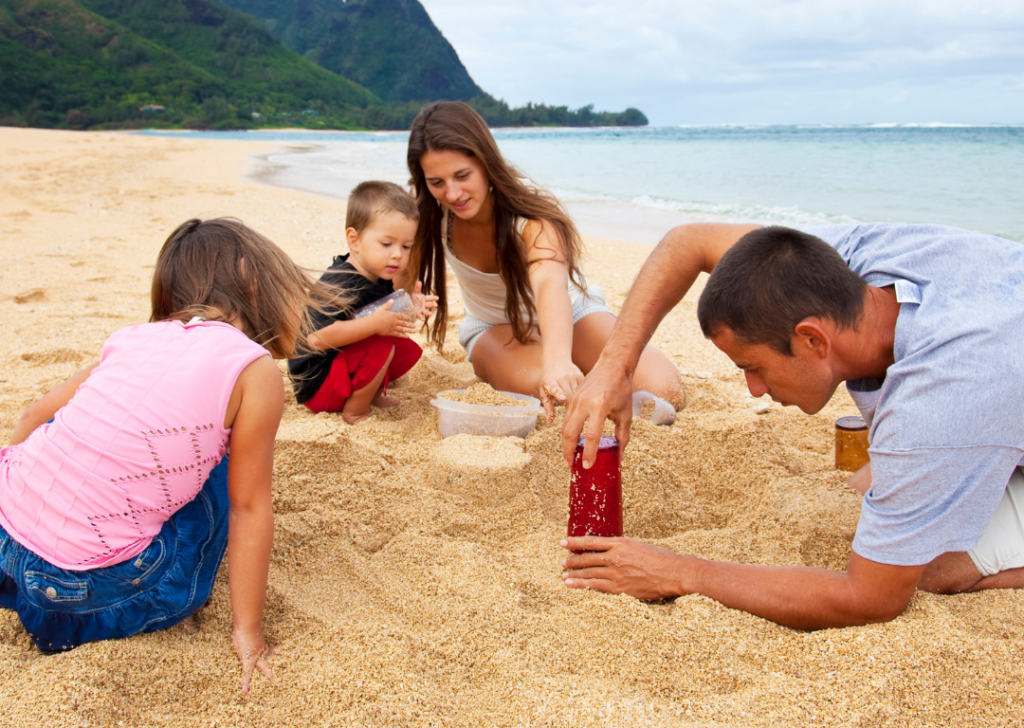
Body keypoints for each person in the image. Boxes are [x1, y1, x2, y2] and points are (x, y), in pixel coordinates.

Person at [560, 222, 1024, 629]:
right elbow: (690, 242)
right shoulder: (848, 260)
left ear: (812, 339)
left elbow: (871, 599)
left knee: (930, 568)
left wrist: (680, 572)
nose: (753, 390)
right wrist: (614, 367)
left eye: (754, 367)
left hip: (981, 385)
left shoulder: (939, 398)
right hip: (992, 378)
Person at [0, 217, 328, 691]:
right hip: (79, 600)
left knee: (75, 424)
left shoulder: (130, 338)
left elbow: (32, 416)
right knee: (224, 464)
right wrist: (248, 631)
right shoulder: (254, 370)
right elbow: (249, 508)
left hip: (8, 551)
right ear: (254, 280)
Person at [406, 101, 681, 419]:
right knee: (555, 394)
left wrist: (558, 358)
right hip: (495, 326)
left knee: (663, 388)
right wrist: (403, 297)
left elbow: (551, 285)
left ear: (485, 163)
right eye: (436, 182)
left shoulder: (532, 219)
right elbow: (389, 261)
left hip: (573, 312)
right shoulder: (427, 216)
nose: (452, 194)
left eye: (462, 175)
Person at [288, 180, 435, 424]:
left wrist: (412, 303)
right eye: (386, 244)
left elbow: (378, 310)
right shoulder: (342, 284)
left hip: (338, 369)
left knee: (403, 346)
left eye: (406, 246)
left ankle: (372, 394)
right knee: (381, 344)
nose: (397, 254)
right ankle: (355, 411)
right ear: (354, 240)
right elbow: (316, 339)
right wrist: (374, 325)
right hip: (317, 386)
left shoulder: (376, 272)